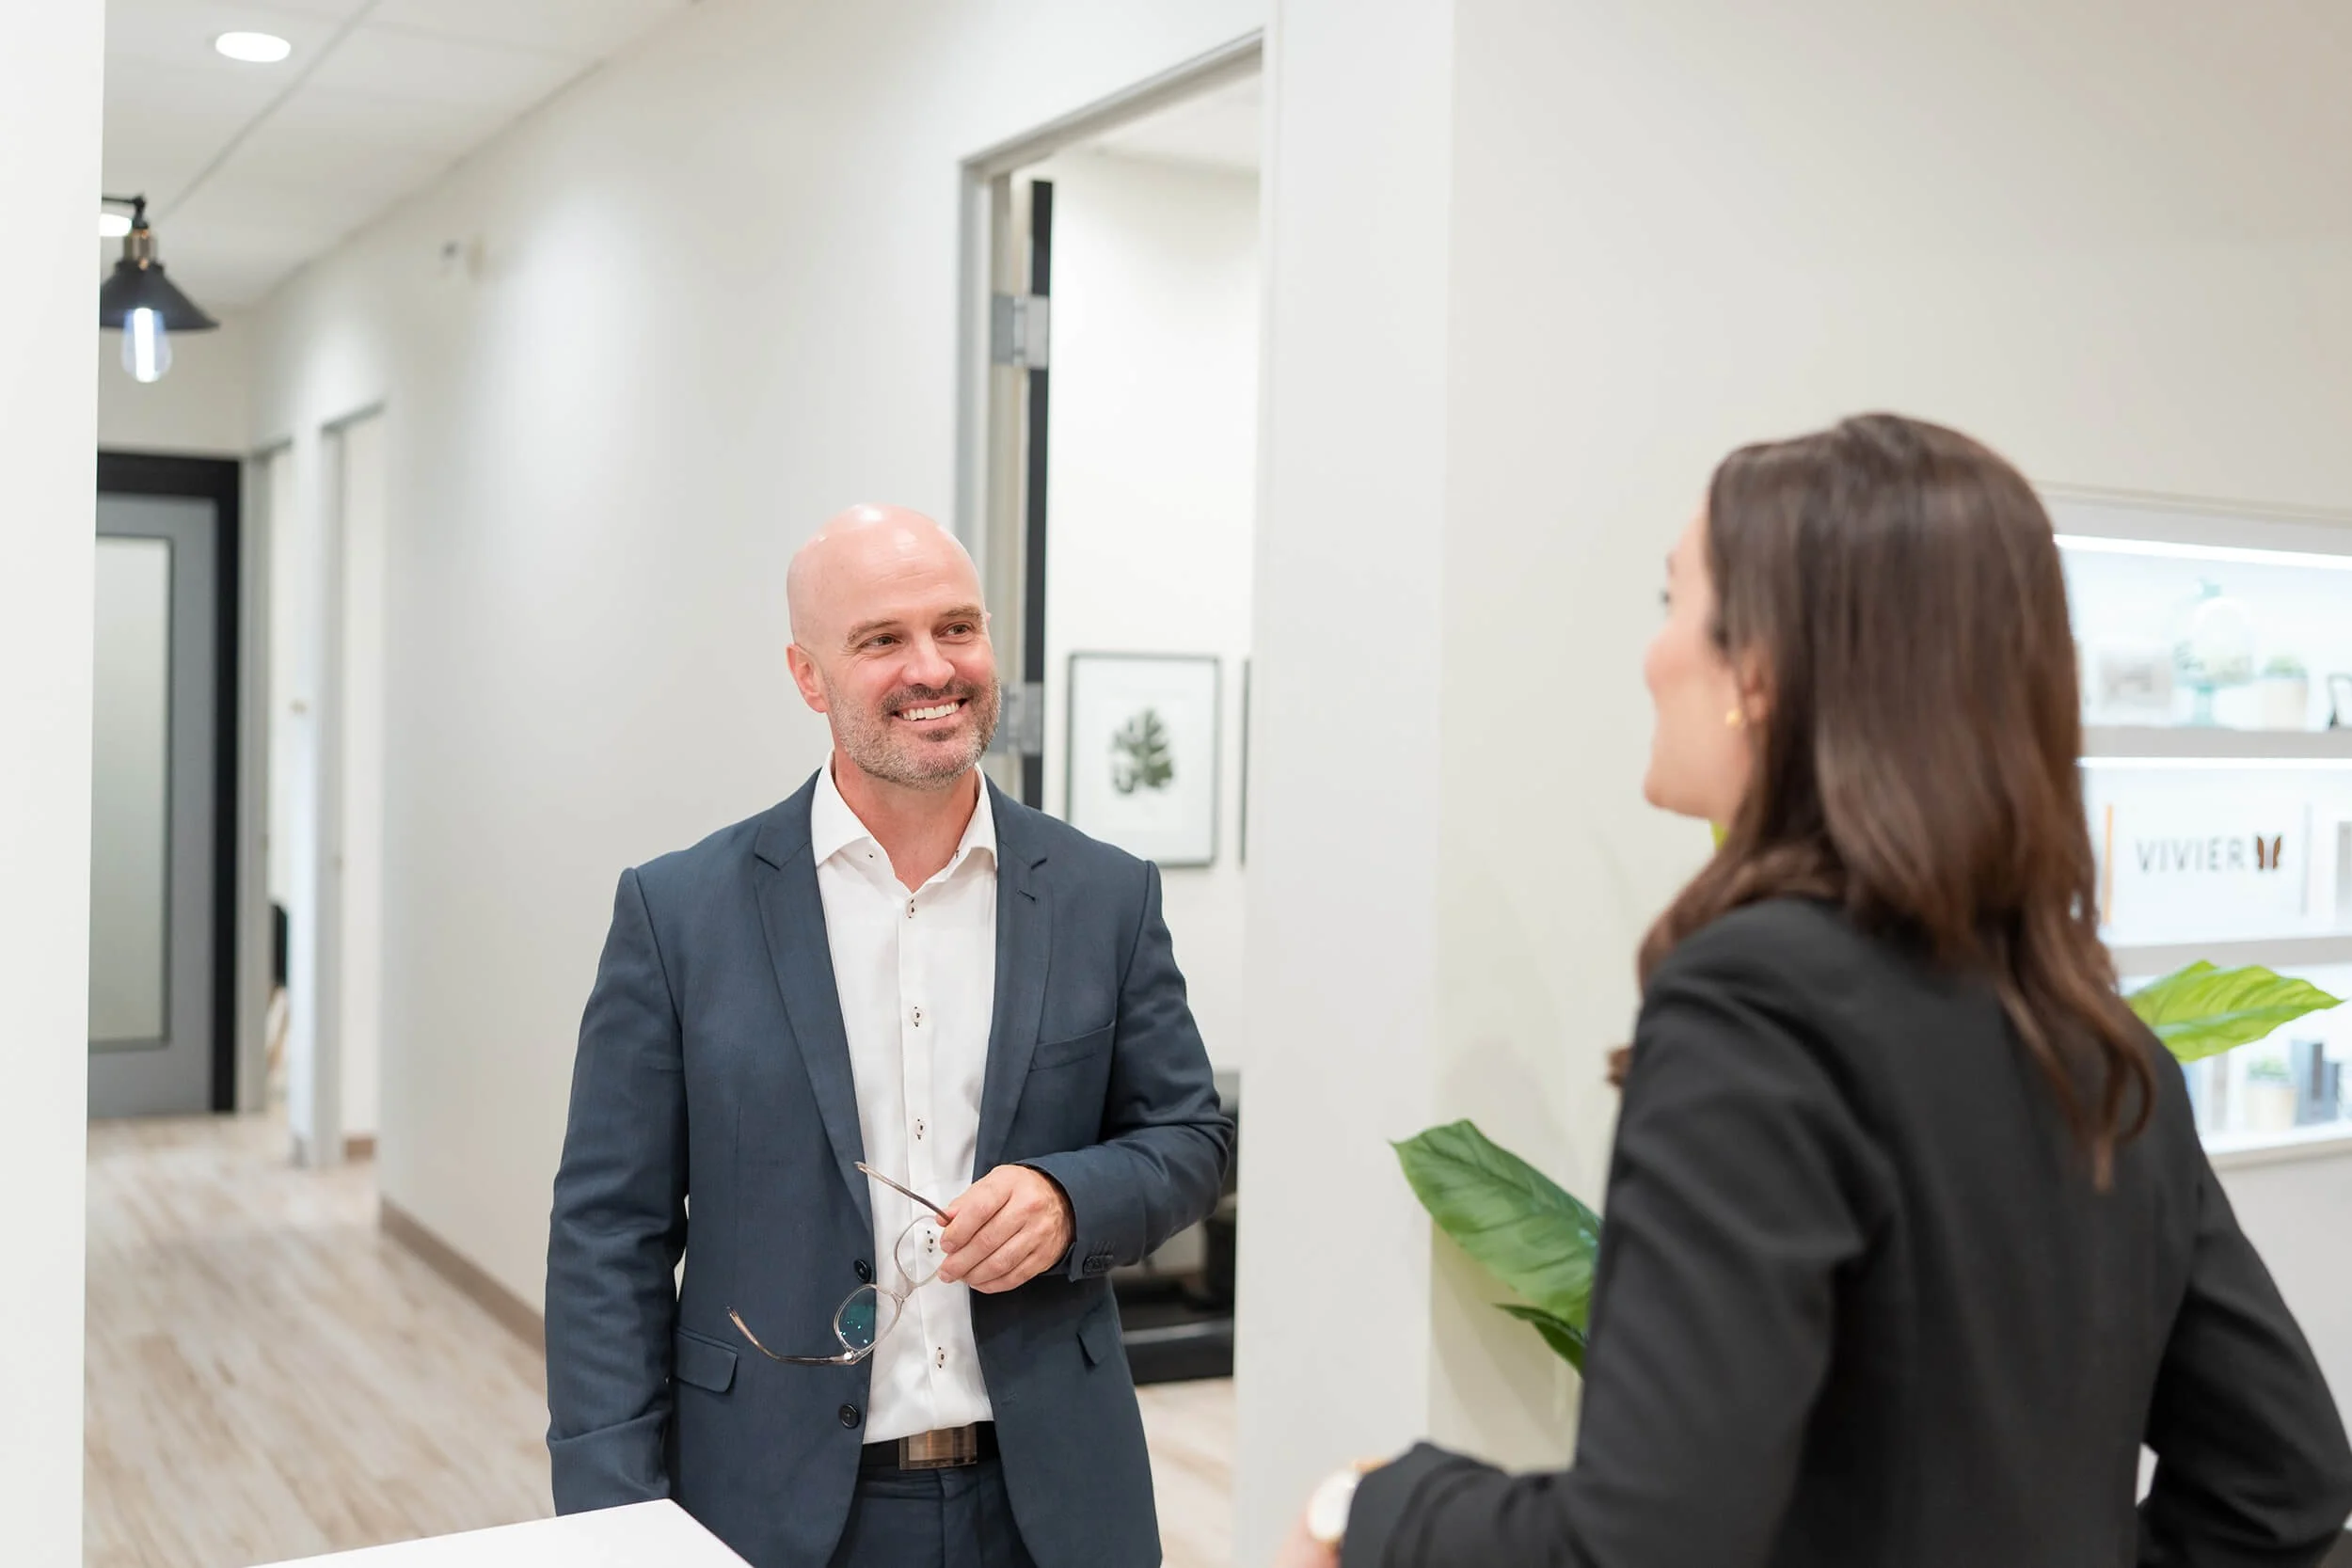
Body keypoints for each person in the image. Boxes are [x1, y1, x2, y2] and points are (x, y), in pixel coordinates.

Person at [1281, 415, 2352, 1567]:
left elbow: (1644, 1543)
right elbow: (2280, 1480)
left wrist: (1377, 1508)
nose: (1651, 654)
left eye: (1670, 602)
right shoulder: (2098, 1041)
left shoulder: (1753, 1001)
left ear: (1763, 668)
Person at [546, 503, 1232, 1568]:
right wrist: (613, 1523)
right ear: (807, 675)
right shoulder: (679, 914)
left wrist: (1066, 1197)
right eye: (882, 639)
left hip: (1050, 1501)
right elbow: (607, 1234)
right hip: (770, 1507)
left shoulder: (1105, 893)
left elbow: (1189, 1137)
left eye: (957, 627)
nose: (934, 667)